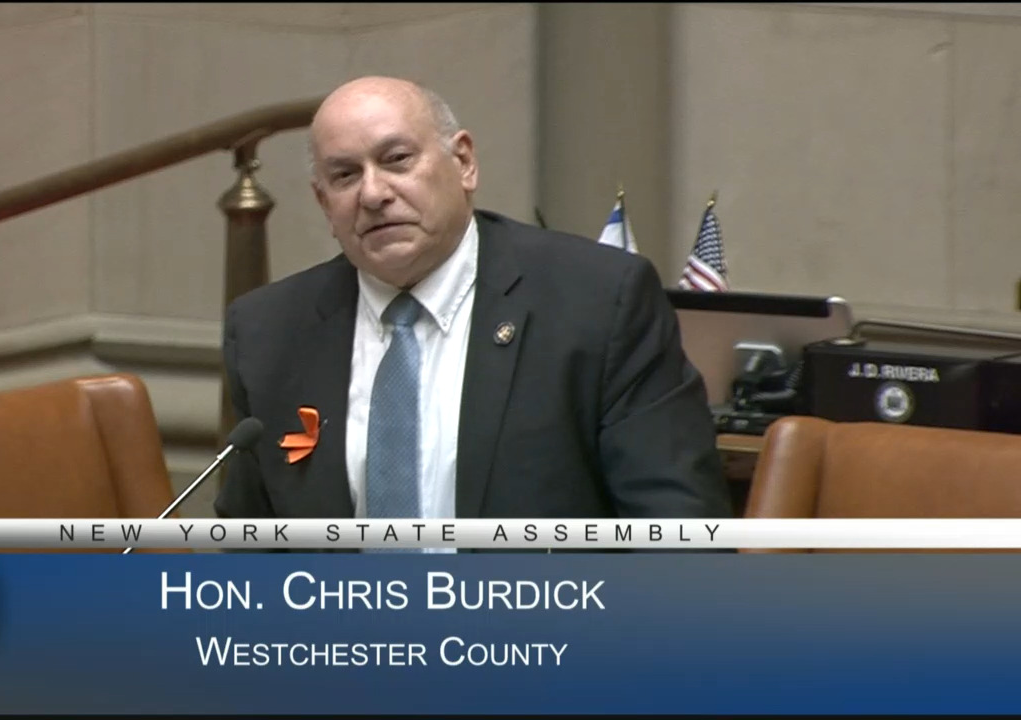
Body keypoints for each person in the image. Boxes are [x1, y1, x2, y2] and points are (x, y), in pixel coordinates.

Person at [213, 76, 731, 531]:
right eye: (345, 175)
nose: (373, 194)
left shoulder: (598, 301)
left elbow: (678, 534)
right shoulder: (270, 332)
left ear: (463, 162)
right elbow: (252, 549)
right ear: (325, 203)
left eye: (396, 160)